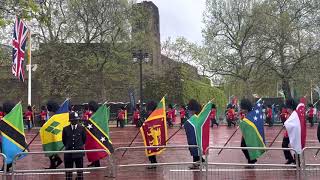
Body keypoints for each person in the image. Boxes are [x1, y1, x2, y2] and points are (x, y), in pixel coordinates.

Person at [62, 111, 86, 180]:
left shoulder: (82, 128)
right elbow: (64, 141)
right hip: (68, 154)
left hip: (79, 153)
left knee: (80, 173)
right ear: (70, 121)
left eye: (77, 120)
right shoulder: (65, 129)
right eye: (74, 120)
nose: (76, 121)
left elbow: (84, 140)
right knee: (68, 174)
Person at [186, 99, 205, 169]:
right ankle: (200, 161)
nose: (190, 112)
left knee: (194, 146)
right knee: (194, 146)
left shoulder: (197, 115)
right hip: (195, 132)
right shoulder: (197, 113)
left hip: (195, 132)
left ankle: (196, 163)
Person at [239, 99, 257, 165]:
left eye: (242, 108)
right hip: (245, 134)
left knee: (245, 146)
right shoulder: (244, 114)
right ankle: (251, 159)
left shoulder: (250, 115)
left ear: (246, 108)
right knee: (244, 147)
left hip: (249, 134)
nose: (241, 109)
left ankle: (252, 160)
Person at [46, 100, 63, 169]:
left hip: (54, 133)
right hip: (52, 132)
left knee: (50, 148)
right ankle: (56, 160)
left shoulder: (54, 114)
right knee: (51, 148)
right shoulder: (53, 113)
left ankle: (54, 163)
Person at [282, 98, 297, 164]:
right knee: (284, 145)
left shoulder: (295, 114)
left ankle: (297, 160)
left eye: (288, 107)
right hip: (287, 133)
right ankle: (290, 158)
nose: (287, 109)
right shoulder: (288, 114)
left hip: (294, 132)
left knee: (295, 146)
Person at [86, 101, 101, 167]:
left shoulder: (95, 115)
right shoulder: (93, 114)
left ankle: (97, 163)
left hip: (94, 134)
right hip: (92, 134)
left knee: (94, 148)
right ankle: (94, 162)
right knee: (91, 148)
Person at [145, 101, 158, 169]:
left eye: (149, 110)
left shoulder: (153, 116)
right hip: (149, 135)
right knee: (150, 149)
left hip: (152, 135)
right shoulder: (149, 115)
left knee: (152, 150)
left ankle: (154, 163)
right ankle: (153, 162)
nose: (148, 111)